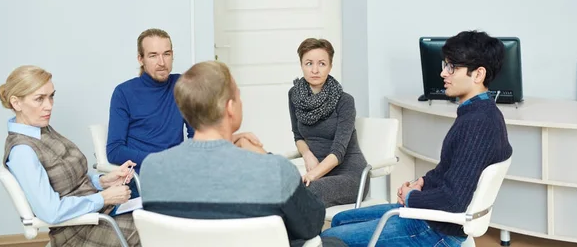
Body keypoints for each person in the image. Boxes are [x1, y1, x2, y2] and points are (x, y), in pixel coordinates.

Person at [321, 30, 513, 247]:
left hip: (434, 231)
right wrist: (422, 183)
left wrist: (412, 197)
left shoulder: (478, 123)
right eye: (445, 65)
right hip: (429, 219)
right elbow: (449, 170)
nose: (443, 73)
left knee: (330, 239)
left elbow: (454, 201)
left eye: (452, 67)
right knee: (339, 220)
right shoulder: (479, 113)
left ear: (478, 75)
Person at [140, 61, 346, 247]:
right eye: (238, 96)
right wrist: (265, 157)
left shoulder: (152, 168)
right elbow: (312, 224)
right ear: (230, 108)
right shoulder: (273, 170)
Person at [0, 65, 140, 247]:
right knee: (154, 226)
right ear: (16, 103)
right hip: (78, 233)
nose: (48, 106)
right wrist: (104, 197)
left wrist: (103, 181)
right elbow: (51, 212)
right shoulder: (22, 151)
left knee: (156, 213)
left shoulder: (41, 130)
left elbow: (68, 180)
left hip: (98, 216)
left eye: (51, 96)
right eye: (39, 99)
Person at [107, 28, 260, 171]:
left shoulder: (182, 85)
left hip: (179, 169)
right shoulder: (124, 93)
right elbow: (114, 151)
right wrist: (160, 160)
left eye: (166, 54)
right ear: (141, 59)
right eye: (153, 55)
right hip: (145, 176)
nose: (161, 62)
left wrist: (229, 138)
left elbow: (197, 135)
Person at [288, 38, 368, 208]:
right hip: (317, 172)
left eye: (322, 64)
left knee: (304, 193)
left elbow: (339, 152)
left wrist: (312, 175)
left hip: (350, 175)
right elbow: (298, 135)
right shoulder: (294, 95)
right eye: (309, 63)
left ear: (330, 66)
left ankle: (306, 236)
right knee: (280, 189)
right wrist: (308, 155)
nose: (315, 70)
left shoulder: (345, 100)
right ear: (301, 65)